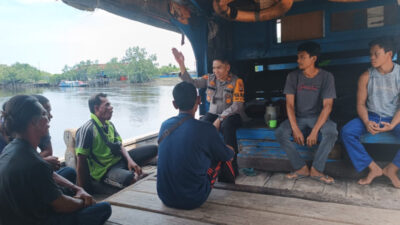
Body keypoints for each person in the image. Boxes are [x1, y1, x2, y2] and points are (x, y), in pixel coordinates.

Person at [0, 95, 111, 225]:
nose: (49, 117)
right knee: (103, 208)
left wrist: (77, 189)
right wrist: (85, 202)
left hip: (18, 214)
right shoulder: (35, 163)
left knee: (69, 173)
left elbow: (47, 175)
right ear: (33, 123)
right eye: (44, 114)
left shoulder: (12, 148)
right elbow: (61, 205)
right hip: (36, 220)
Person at [157, 82, 235, 209]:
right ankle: (230, 186)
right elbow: (227, 155)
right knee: (223, 156)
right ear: (199, 100)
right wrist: (231, 150)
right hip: (193, 199)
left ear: (175, 104)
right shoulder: (206, 129)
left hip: (165, 196)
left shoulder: (165, 125)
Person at [172, 48, 244, 182]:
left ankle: (231, 168)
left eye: (219, 68)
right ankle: (203, 164)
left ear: (227, 67)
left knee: (227, 126)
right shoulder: (209, 78)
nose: (216, 71)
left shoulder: (237, 82)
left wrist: (220, 118)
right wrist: (181, 64)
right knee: (201, 126)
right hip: (212, 114)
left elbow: (237, 106)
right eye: (214, 68)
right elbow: (191, 84)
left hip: (232, 115)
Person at [275, 41, 338, 184]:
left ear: (313, 58)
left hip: (319, 118)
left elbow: (327, 106)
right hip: (298, 117)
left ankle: (316, 170)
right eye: (298, 57)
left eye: (302, 57)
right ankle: (301, 168)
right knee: (280, 133)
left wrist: (315, 131)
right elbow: (289, 105)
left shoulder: (327, 77)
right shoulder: (292, 76)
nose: (298, 60)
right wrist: (295, 128)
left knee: (331, 132)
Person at [341, 37, 400, 187]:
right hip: (371, 116)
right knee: (347, 132)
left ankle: (391, 169)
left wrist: (392, 124)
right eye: (370, 54)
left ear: (389, 54)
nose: (371, 57)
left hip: (394, 117)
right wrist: (366, 121)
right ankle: (373, 168)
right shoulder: (366, 76)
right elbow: (360, 104)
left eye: (376, 54)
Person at [75, 93, 158, 192]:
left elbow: (119, 145)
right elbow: (81, 161)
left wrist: (130, 160)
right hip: (105, 170)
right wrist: (83, 190)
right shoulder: (87, 129)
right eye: (107, 105)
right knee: (130, 179)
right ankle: (133, 174)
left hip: (119, 160)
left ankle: (132, 169)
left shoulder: (109, 124)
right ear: (96, 108)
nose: (111, 107)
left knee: (153, 149)